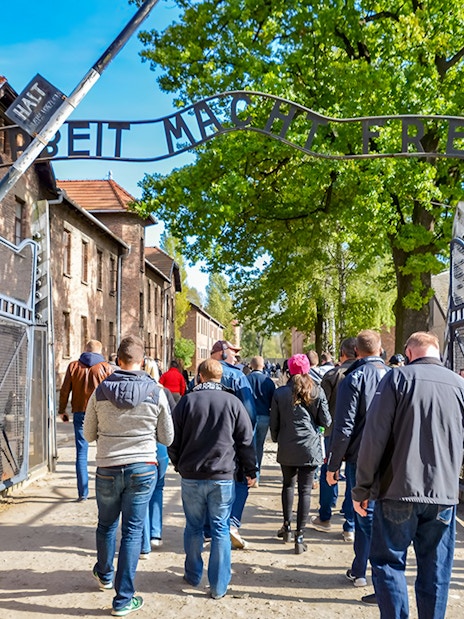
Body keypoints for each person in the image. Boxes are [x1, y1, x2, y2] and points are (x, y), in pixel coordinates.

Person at [353, 331, 464, 616]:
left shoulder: (397, 379)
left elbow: (373, 437)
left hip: (397, 489)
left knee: (389, 564)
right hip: (443, 494)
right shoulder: (459, 385)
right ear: (436, 352)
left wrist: (362, 488)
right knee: (436, 569)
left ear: (409, 352)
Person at [83, 334, 174, 617]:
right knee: (133, 531)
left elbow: (87, 434)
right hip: (143, 466)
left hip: (108, 466)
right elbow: (167, 437)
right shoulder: (156, 391)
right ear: (142, 361)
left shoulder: (100, 391)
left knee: (106, 525)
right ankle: (123, 599)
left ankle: (105, 573)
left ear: (116, 360)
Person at [168, 358, 256, 600]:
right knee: (220, 528)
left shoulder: (187, 401)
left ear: (200, 377)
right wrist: (251, 470)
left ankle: (193, 574)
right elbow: (246, 441)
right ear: (221, 378)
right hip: (223, 475)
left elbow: (172, 439)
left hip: (192, 474)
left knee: (194, 526)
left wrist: (179, 464)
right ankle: (218, 586)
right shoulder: (233, 402)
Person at [326, 330, 389, 589]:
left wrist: (333, 465)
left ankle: (372, 572)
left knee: (364, 514)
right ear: (381, 349)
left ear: (356, 352)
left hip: (359, 456)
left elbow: (343, 427)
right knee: (377, 514)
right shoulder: (396, 376)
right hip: (389, 457)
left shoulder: (353, 379)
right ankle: (364, 569)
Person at [270, 353, 331, 554]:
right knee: (305, 491)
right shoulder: (316, 391)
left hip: (288, 445)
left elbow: (274, 423)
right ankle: (300, 535)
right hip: (310, 447)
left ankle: (286, 527)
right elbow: (326, 421)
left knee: (288, 485)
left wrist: (278, 438)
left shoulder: (280, 393)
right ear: (307, 369)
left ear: (288, 370)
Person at [210, 340, 257, 549]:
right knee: (241, 480)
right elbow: (249, 412)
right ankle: (231, 523)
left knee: (207, 481)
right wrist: (246, 437)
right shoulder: (238, 376)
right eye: (233, 353)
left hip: (205, 439)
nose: (236, 358)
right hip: (231, 438)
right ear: (221, 353)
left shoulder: (200, 376)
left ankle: (207, 528)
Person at [310, 337, 357, 541]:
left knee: (330, 470)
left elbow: (320, 404)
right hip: (358, 433)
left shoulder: (333, 374)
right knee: (355, 476)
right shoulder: (367, 373)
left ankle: (325, 516)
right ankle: (350, 524)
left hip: (333, 431)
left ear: (342, 353)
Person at [58, 340, 113, 502]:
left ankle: (83, 493)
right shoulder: (105, 367)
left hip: (80, 412)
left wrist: (62, 410)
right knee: (104, 452)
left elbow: (64, 390)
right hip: (101, 413)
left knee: (81, 453)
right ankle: (104, 492)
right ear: (100, 351)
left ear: (85, 350)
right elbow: (112, 391)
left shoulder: (74, 366)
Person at [140, 357, 175, 557]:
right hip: (160, 446)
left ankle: (144, 540)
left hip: (142, 446)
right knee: (158, 489)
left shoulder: (136, 392)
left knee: (141, 493)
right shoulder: (163, 392)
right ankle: (156, 533)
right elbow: (171, 422)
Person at [246, 355, 276, 482]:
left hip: (249, 416)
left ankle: (249, 475)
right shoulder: (268, 381)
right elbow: (273, 401)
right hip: (264, 415)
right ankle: (256, 476)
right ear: (263, 366)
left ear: (251, 366)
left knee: (249, 445)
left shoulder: (246, 379)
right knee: (259, 446)